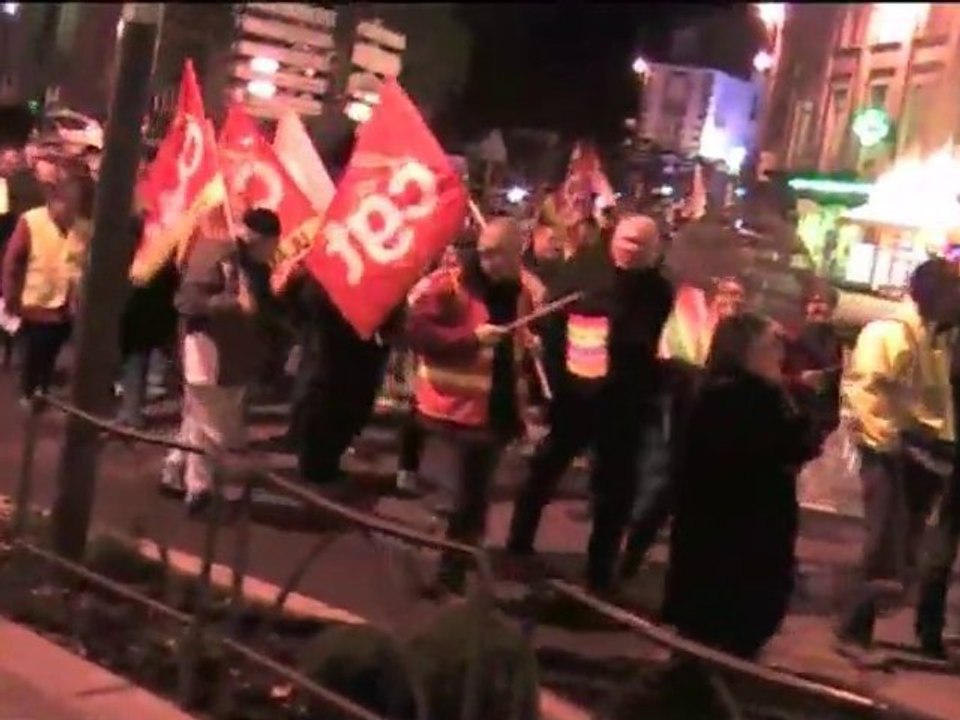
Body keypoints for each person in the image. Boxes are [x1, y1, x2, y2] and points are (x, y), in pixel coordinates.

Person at [505, 213, 674, 595]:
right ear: (615, 240)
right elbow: (552, 321)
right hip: (575, 396)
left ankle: (600, 573)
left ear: (654, 250)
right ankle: (517, 544)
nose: (630, 251)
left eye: (639, 246)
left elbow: (650, 341)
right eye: (626, 242)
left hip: (624, 404)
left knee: (615, 492)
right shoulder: (583, 270)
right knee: (545, 470)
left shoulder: (660, 291)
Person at [663, 312, 821, 659]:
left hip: (720, 531)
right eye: (772, 344)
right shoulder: (744, 397)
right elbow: (787, 446)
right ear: (745, 350)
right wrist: (806, 413)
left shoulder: (715, 390)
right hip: (739, 534)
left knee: (704, 637)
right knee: (725, 634)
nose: (781, 352)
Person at [837, 258, 960, 665]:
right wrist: (890, 444)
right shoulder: (893, 332)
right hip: (894, 450)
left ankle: (859, 630)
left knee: (899, 548)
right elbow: (867, 391)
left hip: (917, 453)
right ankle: (853, 633)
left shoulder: (931, 336)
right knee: (883, 546)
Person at [406, 217, 539, 595]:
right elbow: (416, 332)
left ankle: (455, 572)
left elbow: (511, 349)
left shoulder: (521, 290)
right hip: (452, 413)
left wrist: (528, 347)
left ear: (519, 249)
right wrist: (470, 340)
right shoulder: (448, 284)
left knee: (475, 504)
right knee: (455, 503)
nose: (489, 262)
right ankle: (442, 575)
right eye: (484, 253)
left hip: (494, 414)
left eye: (499, 254)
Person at [620, 275, 746, 578]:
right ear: (716, 295)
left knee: (680, 498)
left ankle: (644, 559)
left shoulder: (740, 336)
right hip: (676, 415)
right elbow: (676, 357)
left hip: (706, 427)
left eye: (740, 296)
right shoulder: (695, 318)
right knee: (659, 485)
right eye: (728, 293)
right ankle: (627, 554)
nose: (734, 301)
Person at [159, 207, 280, 511]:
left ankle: (175, 470)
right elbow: (187, 301)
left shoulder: (256, 268)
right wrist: (232, 303)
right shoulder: (217, 255)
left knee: (199, 420)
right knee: (213, 426)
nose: (274, 250)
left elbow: (264, 312)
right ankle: (201, 490)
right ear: (257, 238)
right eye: (271, 243)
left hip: (237, 357)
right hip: (207, 352)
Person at [2, 176, 89, 404]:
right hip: (35, 301)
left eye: (74, 207)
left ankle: (43, 388)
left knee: (51, 351)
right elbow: (13, 261)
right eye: (66, 206)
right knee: (34, 351)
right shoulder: (31, 221)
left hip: (66, 305)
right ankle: (29, 391)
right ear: (54, 203)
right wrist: (10, 296)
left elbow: (84, 264)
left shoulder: (83, 228)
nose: (69, 212)